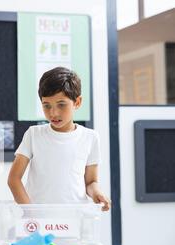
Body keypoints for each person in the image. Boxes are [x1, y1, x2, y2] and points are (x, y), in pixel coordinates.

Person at [8, 67, 110, 211]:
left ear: (77, 102)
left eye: (61, 105)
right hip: (37, 221)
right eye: (46, 106)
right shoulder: (33, 134)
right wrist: (30, 211)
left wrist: (97, 194)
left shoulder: (90, 137)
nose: (53, 113)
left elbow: (91, 182)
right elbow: (14, 179)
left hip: (74, 218)